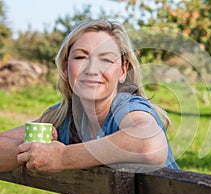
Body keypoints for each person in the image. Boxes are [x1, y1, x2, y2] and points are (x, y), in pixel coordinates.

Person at [0, 19, 179, 173]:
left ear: (123, 70)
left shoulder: (127, 107)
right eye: (80, 57)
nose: (92, 70)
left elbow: (150, 144)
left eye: (106, 60)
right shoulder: (62, 119)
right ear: (65, 66)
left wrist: (62, 157)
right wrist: (35, 152)